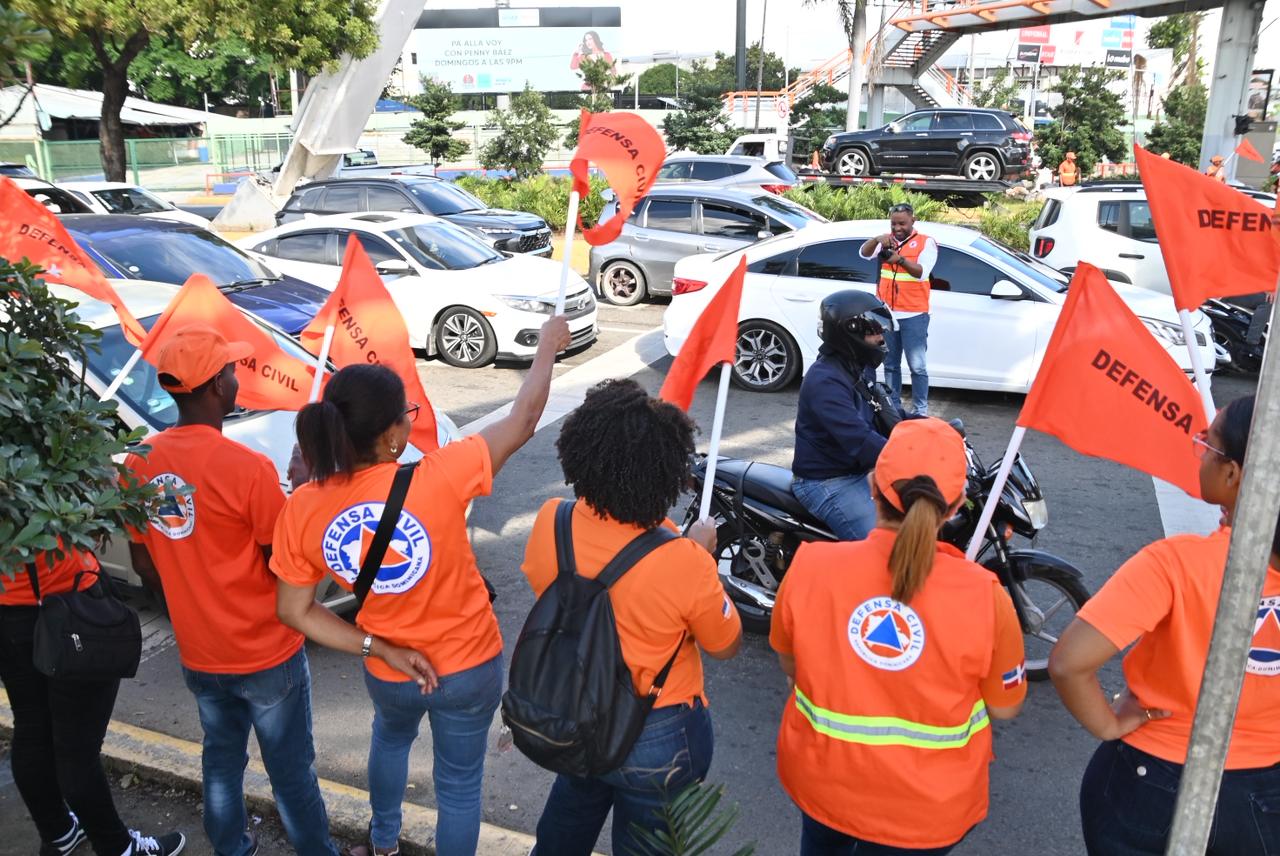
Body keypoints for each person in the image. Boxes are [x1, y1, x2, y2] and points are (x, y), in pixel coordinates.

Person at [272, 316, 571, 856]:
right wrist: (547, 343)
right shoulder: (440, 474)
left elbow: (295, 611)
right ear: (391, 436)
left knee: (390, 741)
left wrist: (376, 646)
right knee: (459, 787)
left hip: (390, 667)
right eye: (405, 417)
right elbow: (525, 417)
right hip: (467, 665)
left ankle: (383, 844)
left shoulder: (303, 506)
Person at [125, 325, 336, 856]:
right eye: (231, 370)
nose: (237, 378)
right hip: (265, 653)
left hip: (200, 652)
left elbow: (144, 564)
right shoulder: (247, 469)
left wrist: (191, 606)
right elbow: (286, 568)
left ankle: (230, 847)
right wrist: (304, 493)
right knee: (291, 772)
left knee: (221, 759)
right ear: (217, 386)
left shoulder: (139, 462)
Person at [772, 418, 1027, 855]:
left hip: (822, 783)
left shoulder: (810, 567)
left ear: (873, 486)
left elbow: (791, 664)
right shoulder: (986, 596)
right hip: (927, 810)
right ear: (955, 506)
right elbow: (1005, 707)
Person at [1049, 395, 1280, 856]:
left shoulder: (1175, 563)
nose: (1200, 452)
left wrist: (1108, 724)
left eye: (1207, 445)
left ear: (1233, 474)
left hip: (1151, 780)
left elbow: (1069, 663)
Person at [521, 378, 742, 856]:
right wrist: (703, 559)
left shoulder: (552, 520)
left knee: (567, 820)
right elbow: (725, 644)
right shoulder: (683, 559)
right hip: (657, 731)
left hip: (575, 711)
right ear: (665, 475)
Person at [1, 546, 187, 856]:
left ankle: (58, 832)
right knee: (77, 748)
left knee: (31, 726)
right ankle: (117, 847)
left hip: (9, 610)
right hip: (65, 603)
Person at [792, 290, 898, 541]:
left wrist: (935, 429)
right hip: (827, 481)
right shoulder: (825, 380)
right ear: (850, 331)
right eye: (875, 331)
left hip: (857, 471)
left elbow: (884, 412)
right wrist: (907, 457)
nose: (881, 337)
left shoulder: (855, 367)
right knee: (886, 547)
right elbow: (858, 439)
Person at [859, 203, 937, 416]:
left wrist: (900, 260)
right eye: (893, 224)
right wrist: (877, 239)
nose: (897, 228)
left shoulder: (926, 243)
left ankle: (920, 410)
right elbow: (863, 253)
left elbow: (922, 273)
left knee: (917, 367)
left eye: (902, 223)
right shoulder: (886, 240)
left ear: (913, 220)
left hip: (914, 314)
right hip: (887, 315)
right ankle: (894, 407)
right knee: (890, 364)